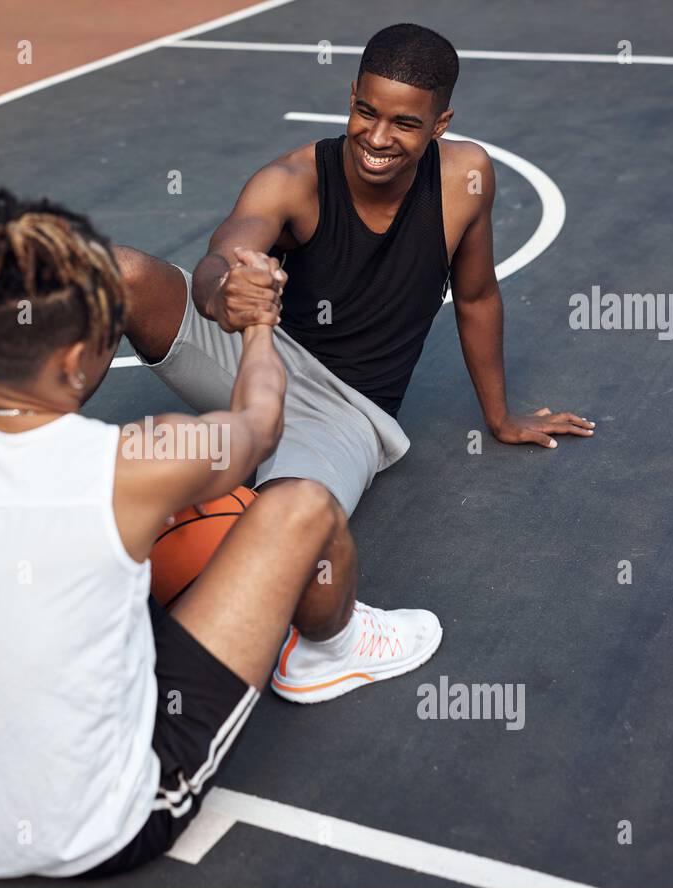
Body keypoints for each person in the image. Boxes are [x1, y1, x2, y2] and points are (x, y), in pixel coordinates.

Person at [0, 190, 441, 879]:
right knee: (304, 506)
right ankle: (331, 650)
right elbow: (260, 423)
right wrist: (256, 326)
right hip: (102, 824)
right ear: (80, 357)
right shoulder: (136, 463)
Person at [116, 23, 594, 698]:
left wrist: (501, 415)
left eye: (404, 122)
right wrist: (227, 286)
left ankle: (321, 651)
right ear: (351, 97)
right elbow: (222, 255)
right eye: (366, 112)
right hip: (260, 354)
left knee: (290, 526)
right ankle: (13, 457)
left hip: (348, 415)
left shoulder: (467, 179)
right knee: (122, 273)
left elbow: (478, 295)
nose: (376, 137)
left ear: (441, 123)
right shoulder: (293, 180)